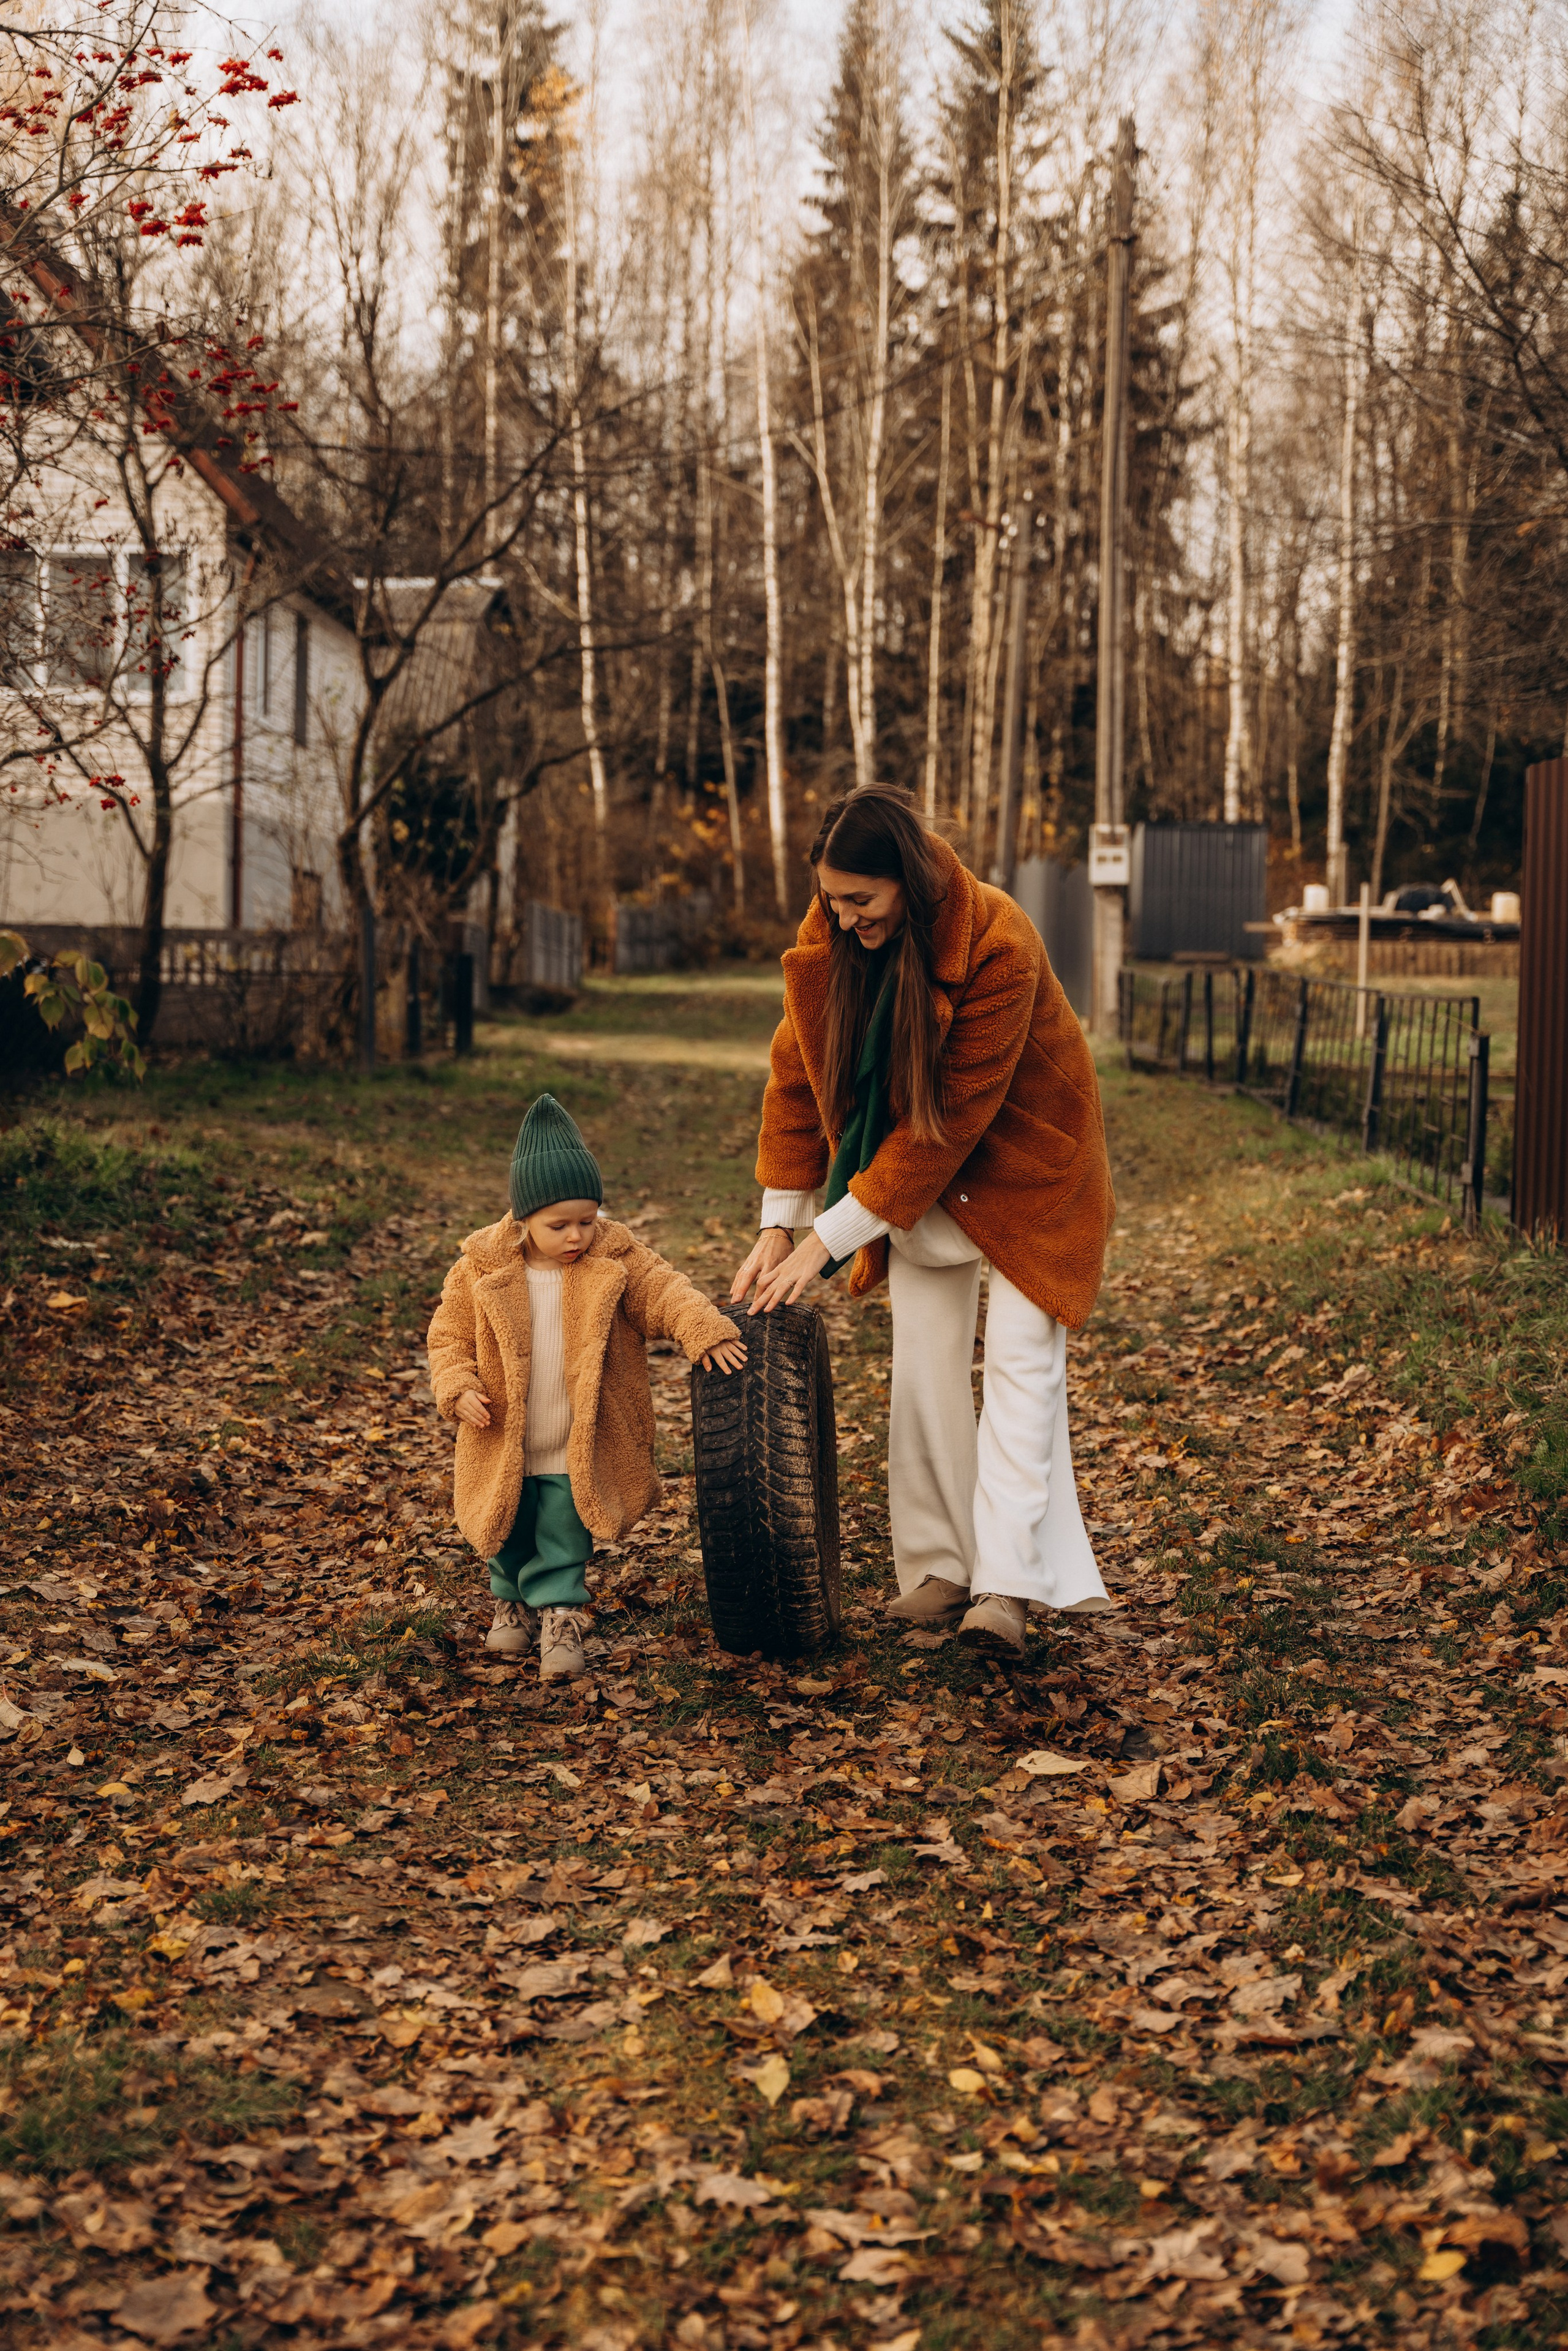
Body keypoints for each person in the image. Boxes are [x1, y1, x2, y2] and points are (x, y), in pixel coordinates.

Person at [730, 786, 1115, 1657]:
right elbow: (796, 1074)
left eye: (861, 899)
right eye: (830, 897)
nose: (842, 915)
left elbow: (944, 1125)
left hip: (1026, 1172)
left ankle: (1007, 1588)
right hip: (916, 1175)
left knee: (1021, 1370)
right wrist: (778, 1223)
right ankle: (942, 1568)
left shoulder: (1000, 943)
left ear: (906, 878)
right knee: (924, 1371)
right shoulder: (834, 933)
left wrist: (830, 1239)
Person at [428, 1093, 746, 1681]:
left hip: (579, 1433)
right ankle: (510, 1601)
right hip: (504, 1432)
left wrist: (701, 1327)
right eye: (559, 1225)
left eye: (587, 1219)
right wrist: (457, 1386)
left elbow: (663, 1290)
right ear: (523, 1220)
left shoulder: (615, 1258)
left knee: (563, 1526)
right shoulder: (480, 1269)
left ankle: (561, 1616)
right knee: (506, 1523)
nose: (576, 1235)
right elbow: (448, 1338)